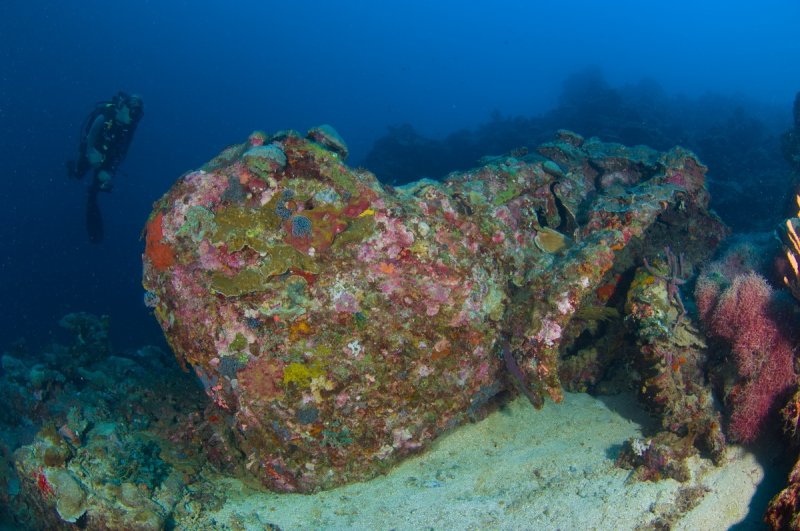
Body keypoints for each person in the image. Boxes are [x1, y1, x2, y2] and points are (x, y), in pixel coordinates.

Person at [67, 91, 144, 242]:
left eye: (138, 116)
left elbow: (122, 152)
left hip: (107, 157)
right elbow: (90, 136)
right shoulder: (105, 116)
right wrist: (90, 153)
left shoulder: (129, 127)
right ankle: (72, 168)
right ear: (123, 107)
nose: (134, 119)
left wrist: (109, 172)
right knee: (78, 173)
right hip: (93, 148)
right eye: (133, 113)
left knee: (95, 191)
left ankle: (95, 234)